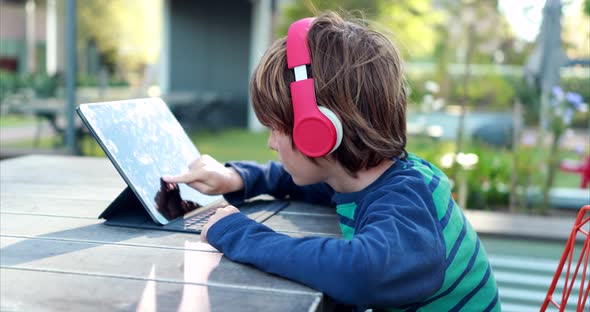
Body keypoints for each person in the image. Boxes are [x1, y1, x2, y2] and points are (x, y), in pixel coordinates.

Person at [163, 12, 500, 311]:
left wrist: (242, 235)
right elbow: (314, 183)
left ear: (318, 131)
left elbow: (362, 274)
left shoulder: (406, 200)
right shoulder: (370, 179)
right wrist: (238, 178)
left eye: (275, 129)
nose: (269, 143)